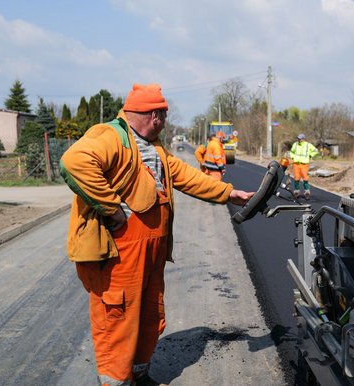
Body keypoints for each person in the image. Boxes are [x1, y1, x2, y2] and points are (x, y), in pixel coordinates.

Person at [59, 83, 254, 386]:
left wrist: (228, 193)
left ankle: (139, 374)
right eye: (163, 115)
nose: (163, 121)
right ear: (154, 115)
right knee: (118, 318)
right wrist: (113, 211)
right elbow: (74, 163)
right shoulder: (110, 136)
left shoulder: (155, 147)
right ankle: (116, 382)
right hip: (120, 250)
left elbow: (186, 176)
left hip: (151, 251)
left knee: (150, 315)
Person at [289, 133, 319, 199]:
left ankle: (307, 192)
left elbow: (316, 151)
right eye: (298, 138)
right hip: (296, 164)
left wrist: (310, 155)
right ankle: (296, 192)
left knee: (305, 178)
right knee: (296, 178)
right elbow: (291, 152)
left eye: (300, 139)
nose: (298, 140)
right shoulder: (295, 145)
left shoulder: (308, 145)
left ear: (303, 139)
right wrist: (293, 157)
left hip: (304, 164)